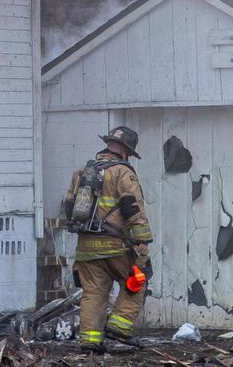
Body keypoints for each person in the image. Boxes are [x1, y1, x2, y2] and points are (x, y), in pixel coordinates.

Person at [65, 125, 153, 353]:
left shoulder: (82, 172)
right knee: (137, 279)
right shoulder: (123, 172)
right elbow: (132, 206)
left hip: (86, 247)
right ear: (126, 151)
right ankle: (118, 328)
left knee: (93, 292)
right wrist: (143, 239)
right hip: (115, 246)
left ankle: (90, 341)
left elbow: (68, 207)